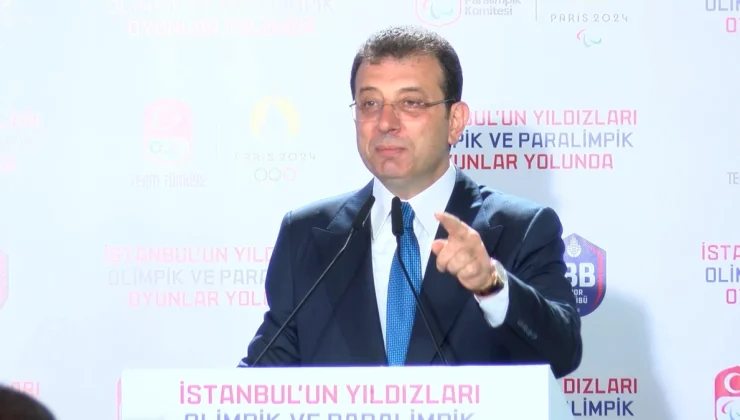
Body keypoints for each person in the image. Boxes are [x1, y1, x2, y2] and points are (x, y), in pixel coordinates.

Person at [239, 25, 582, 378]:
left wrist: (491, 285)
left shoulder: (521, 229)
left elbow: (562, 353)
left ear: (455, 121)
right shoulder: (306, 235)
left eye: (411, 103)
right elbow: (264, 376)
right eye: (370, 103)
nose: (385, 123)